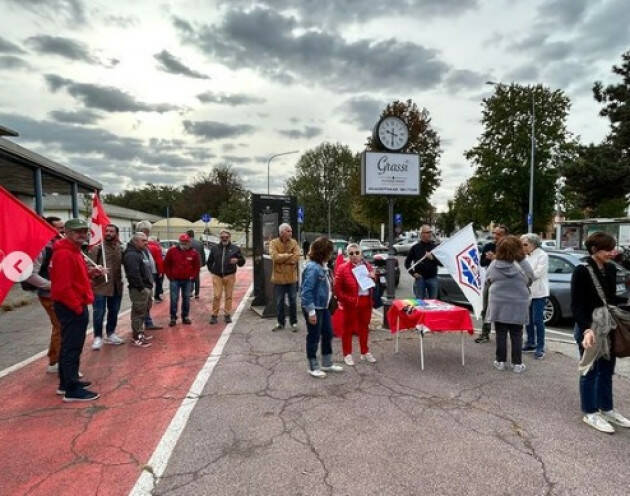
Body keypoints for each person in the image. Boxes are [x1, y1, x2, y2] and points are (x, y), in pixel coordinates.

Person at [571, 231, 630, 433]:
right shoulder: (581, 270)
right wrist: (586, 329)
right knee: (590, 370)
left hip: (609, 326)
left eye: (612, 248)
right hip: (589, 328)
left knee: (607, 370)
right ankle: (590, 412)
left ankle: (607, 409)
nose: (611, 253)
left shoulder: (611, 269)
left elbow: (614, 299)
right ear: (595, 250)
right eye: (607, 249)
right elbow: (577, 305)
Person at [50, 218, 102, 402]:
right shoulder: (64, 254)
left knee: (70, 346)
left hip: (73, 304)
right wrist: (77, 307)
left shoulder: (73, 252)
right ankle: (71, 389)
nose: (82, 234)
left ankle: (66, 383)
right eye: (78, 231)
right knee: (71, 347)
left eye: (84, 231)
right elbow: (63, 287)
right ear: (68, 233)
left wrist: (91, 273)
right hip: (71, 306)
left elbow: (74, 277)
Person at [485, 235, 534, 374]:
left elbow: (488, 280)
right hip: (518, 302)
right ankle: (517, 364)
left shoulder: (495, 264)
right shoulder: (522, 263)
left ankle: (500, 361)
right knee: (517, 333)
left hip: (499, 302)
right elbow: (530, 279)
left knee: (500, 333)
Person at [24, 216, 64, 374]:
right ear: (48, 228)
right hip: (49, 294)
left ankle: (54, 359)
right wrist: (51, 285)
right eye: (59, 228)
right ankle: (58, 362)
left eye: (62, 228)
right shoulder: (42, 248)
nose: (62, 231)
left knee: (60, 326)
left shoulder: (57, 244)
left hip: (58, 293)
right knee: (61, 326)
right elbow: (30, 274)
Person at [300, 237, 344, 378]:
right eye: (330, 252)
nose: (332, 254)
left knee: (328, 333)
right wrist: (311, 312)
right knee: (314, 336)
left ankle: (327, 362)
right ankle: (313, 367)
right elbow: (306, 292)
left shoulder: (322, 266)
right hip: (315, 308)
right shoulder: (313, 268)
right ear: (323, 252)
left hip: (323, 307)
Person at [334, 243, 377, 366]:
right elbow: (337, 289)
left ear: (361, 254)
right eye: (351, 253)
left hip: (366, 301)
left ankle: (365, 351)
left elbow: (373, 282)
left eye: (357, 253)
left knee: (364, 327)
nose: (354, 256)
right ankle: (347, 354)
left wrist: (374, 277)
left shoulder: (367, 266)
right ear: (348, 255)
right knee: (347, 329)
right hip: (351, 303)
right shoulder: (342, 268)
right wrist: (347, 300)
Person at [89, 224, 125, 350]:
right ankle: (98, 337)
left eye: (111, 231)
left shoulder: (120, 248)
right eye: (107, 231)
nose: (108, 233)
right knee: (99, 313)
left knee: (114, 311)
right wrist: (96, 270)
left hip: (116, 286)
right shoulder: (97, 249)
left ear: (116, 233)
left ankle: (111, 333)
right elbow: (88, 267)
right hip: (100, 287)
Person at [475, 224, 509, 343]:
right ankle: (485, 333)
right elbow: (482, 263)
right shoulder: (488, 246)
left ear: (505, 236)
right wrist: (489, 258)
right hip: (490, 281)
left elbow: (510, 264)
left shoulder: (509, 248)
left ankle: (502, 335)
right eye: (494, 233)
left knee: (502, 310)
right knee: (485, 308)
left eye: (498, 234)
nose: (495, 236)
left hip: (504, 283)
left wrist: (495, 258)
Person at [122, 232, 155, 348]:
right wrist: (142, 288)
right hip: (138, 289)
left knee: (142, 312)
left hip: (143, 287)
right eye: (143, 241)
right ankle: (136, 337)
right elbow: (133, 274)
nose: (146, 243)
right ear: (136, 241)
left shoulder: (137, 252)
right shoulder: (131, 255)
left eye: (146, 240)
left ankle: (139, 333)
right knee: (138, 313)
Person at [206, 230, 245, 324]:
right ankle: (214, 315)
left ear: (229, 237)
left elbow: (242, 262)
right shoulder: (214, 248)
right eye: (222, 237)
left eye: (226, 237)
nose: (224, 239)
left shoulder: (235, 248)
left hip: (230, 275)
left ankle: (227, 315)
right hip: (217, 276)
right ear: (220, 238)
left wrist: (238, 260)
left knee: (228, 296)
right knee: (217, 295)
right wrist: (213, 271)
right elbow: (209, 262)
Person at [521, 233, 549, 359]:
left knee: (538, 320)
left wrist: (523, 276)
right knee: (528, 320)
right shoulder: (525, 256)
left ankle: (540, 347)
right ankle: (531, 342)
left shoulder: (542, 255)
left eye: (525, 244)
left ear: (533, 244)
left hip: (539, 293)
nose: (523, 247)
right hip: (527, 292)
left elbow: (537, 273)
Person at [164, 233, 200, 327]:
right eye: (182, 242)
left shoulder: (194, 253)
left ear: (189, 242)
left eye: (186, 242)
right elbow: (166, 264)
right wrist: (170, 276)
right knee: (174, 299)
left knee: (186, 299)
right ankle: (173, 317)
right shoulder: (172, 251)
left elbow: (196, 266)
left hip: (187, 280)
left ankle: (185, 316)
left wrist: (193, 276)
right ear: (179, 242)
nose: (184, 244)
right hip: (174, 280)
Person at [270, 223, 300, 331]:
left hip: (291, 278)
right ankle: (280, 323)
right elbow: (274, 257)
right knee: (279, 302)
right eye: (288, 231)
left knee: (293, 301)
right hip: (279, 279)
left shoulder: (294, 242)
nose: (291, 233)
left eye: (291, 231)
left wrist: (282, 258)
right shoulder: (273, 243)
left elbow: (296, 257)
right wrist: (289, 255)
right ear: (282, 232)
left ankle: (294, 323)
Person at [136, 220, 162, 330]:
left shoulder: (146, 246)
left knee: (148, 302)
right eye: (146, 231)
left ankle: (147, 322)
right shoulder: (137, 246)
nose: (147, 234)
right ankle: (139, 328)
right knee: (141, 304)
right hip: (142, 280)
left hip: (148, 278)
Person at [404, 225, 440, 299]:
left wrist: (432, 258)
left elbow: (441, 263)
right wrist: (413, 273)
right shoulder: (415, 248)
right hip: (420, 279)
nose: (430, 234)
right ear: (422, 234)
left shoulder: (435, 247)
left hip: (432, 278)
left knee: (433, 302)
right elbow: (407, 263)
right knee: (420, 302)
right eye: (427, 232)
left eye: (430, 232)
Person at [186, 229, 206, 299]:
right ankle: (197, 293)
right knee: (197, 278)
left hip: (188, 262)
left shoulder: (186, 243)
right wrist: (203, 263)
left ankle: (190, 292)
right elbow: (202, 254)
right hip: (198, 263)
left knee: (189, 277)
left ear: (187, 235)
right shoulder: (199, 243)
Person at [147, 236, 165, 302]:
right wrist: (160, 271)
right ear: (155, 241)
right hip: (155, 269)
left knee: (148, 284)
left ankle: (148, 298)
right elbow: (159, 261)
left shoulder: (145, 246)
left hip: (146, 269)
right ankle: (156, 297)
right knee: (158, 283)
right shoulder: (156, 248)